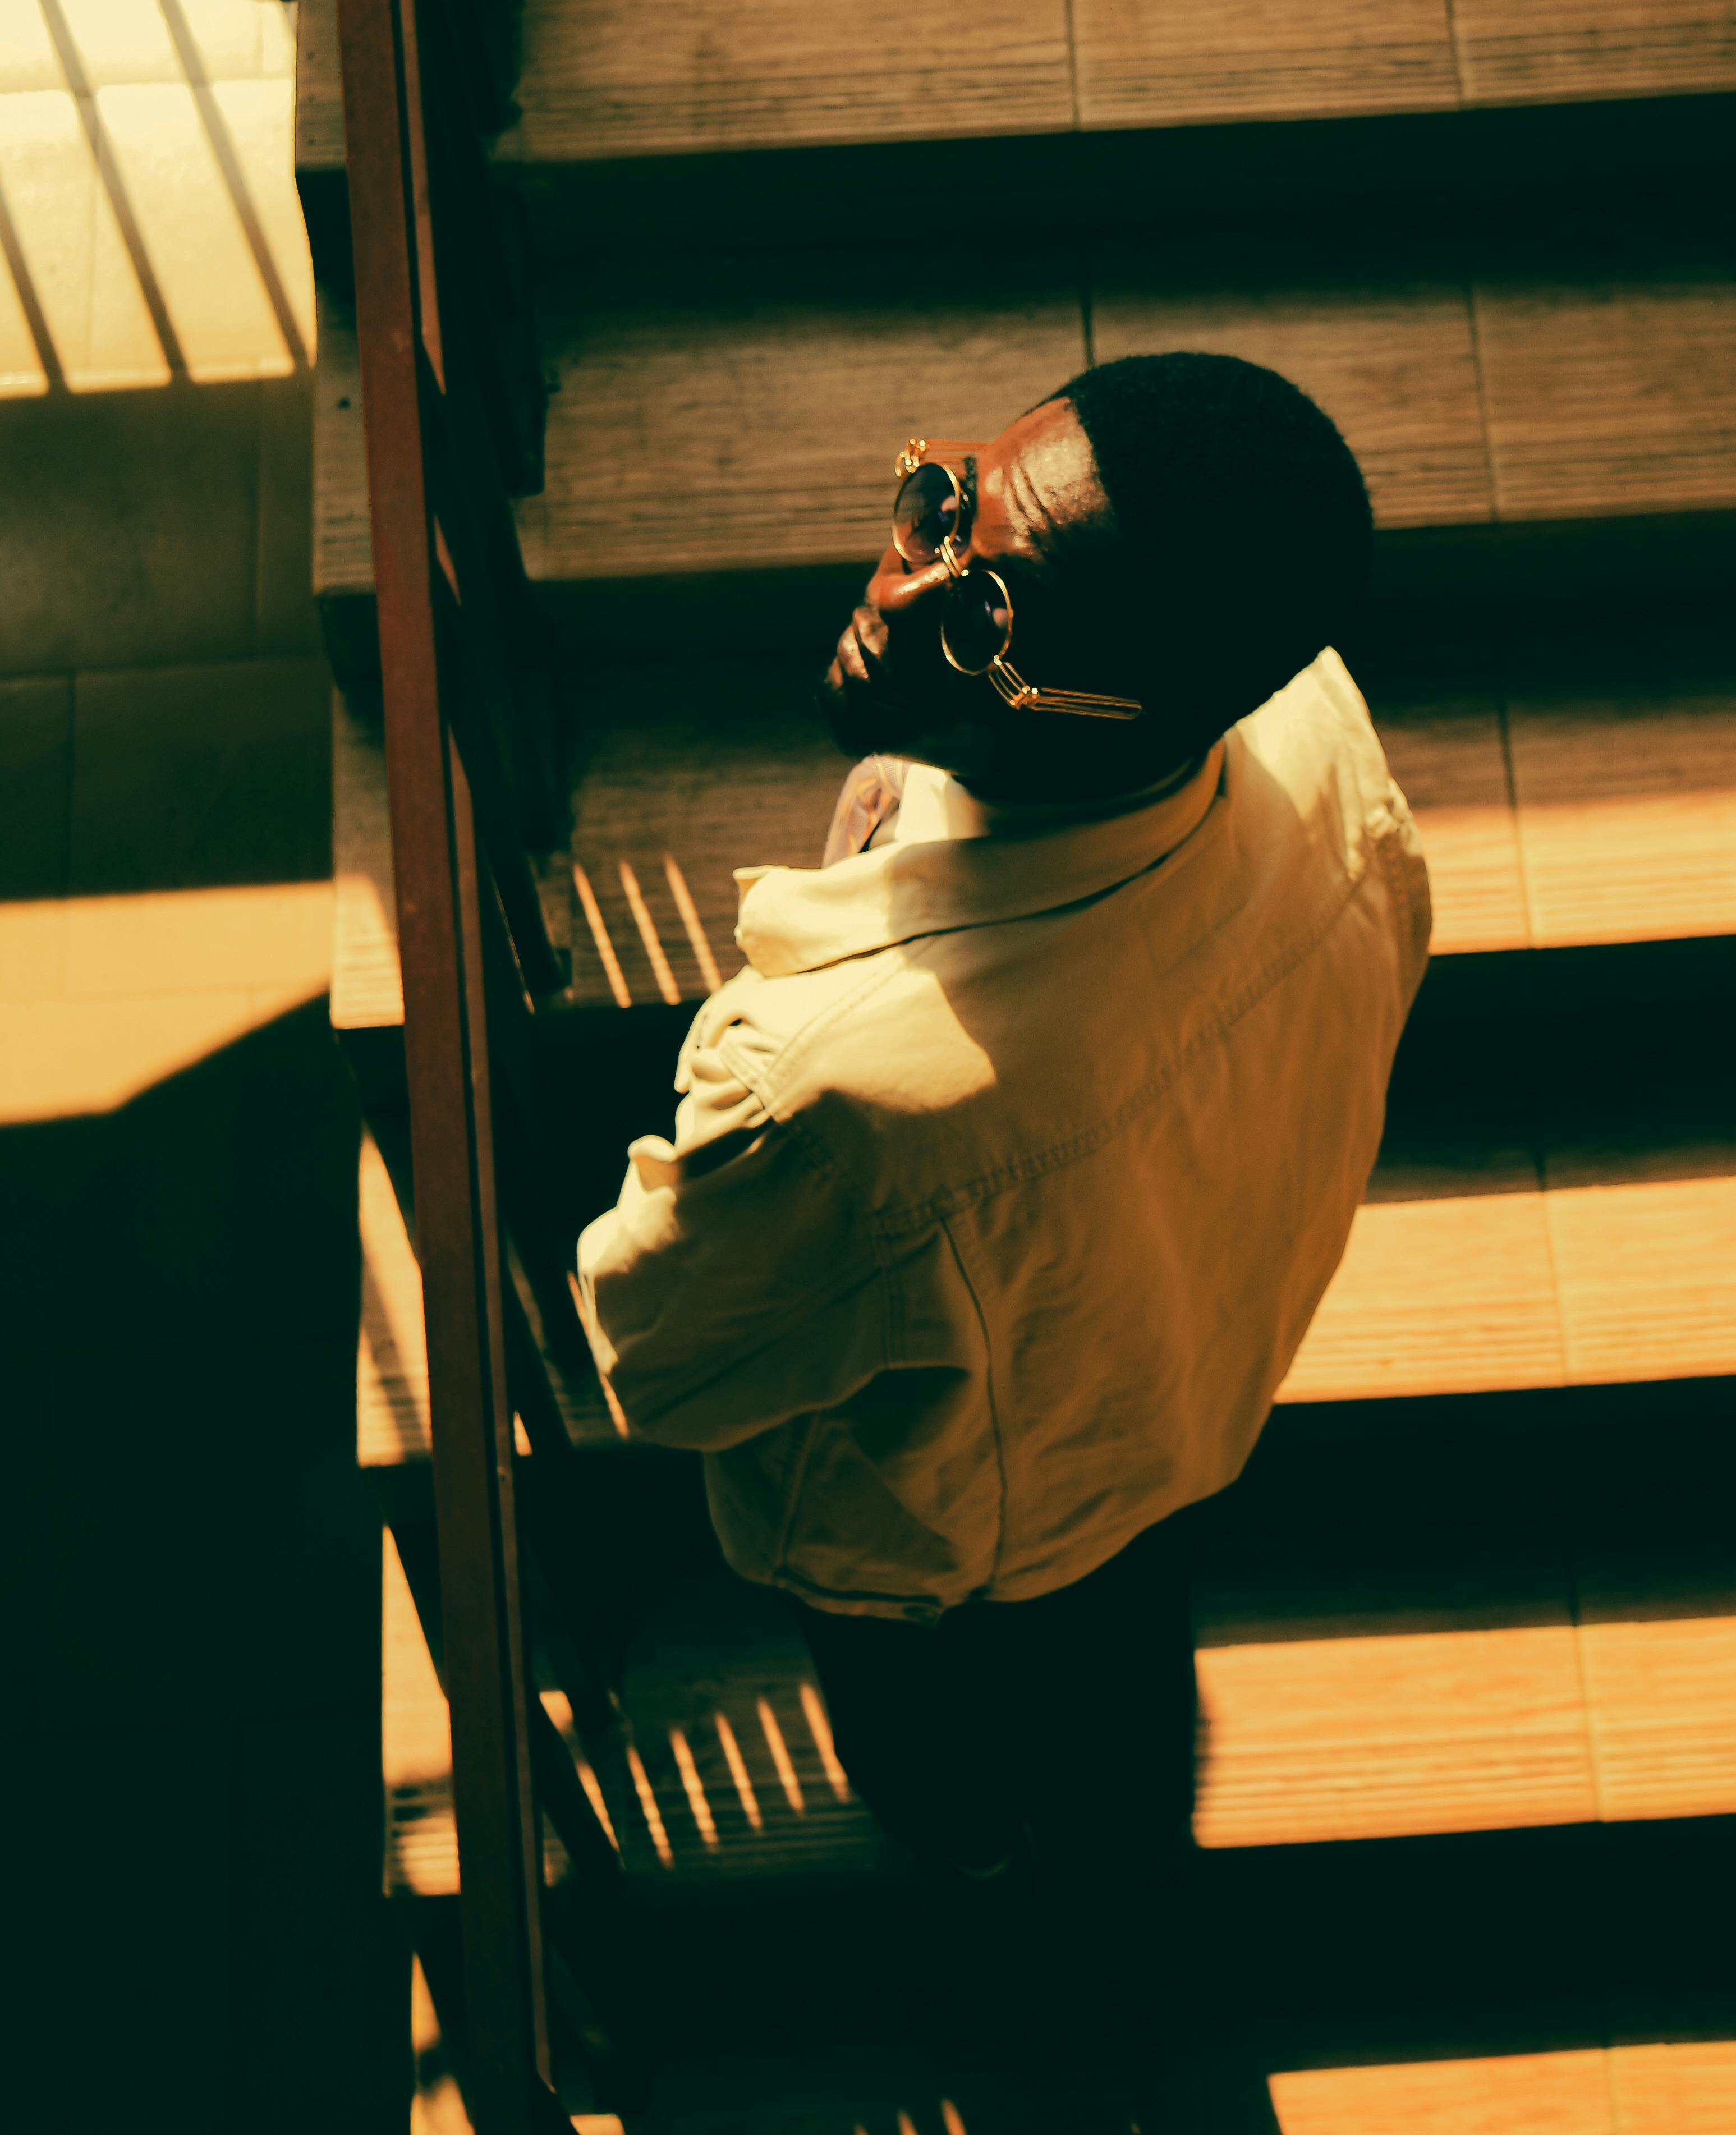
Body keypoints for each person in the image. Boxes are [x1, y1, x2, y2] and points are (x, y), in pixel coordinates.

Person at [577, 350, 1429, 1910]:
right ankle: (1111, 1901)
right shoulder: (1306, 711)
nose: (898, 597)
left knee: (928, 1755)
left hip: (927, 1529)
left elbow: (662, 1356)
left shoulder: (841, 1094)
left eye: (985, 625)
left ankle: (974, 1869)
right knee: (1123, 1677)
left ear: (1136, 701)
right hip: (1185, 1381)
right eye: (937, 507)